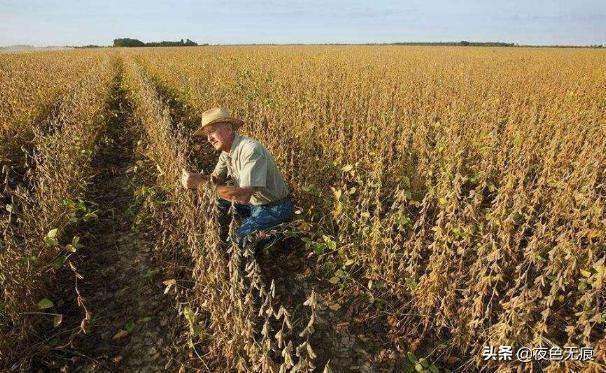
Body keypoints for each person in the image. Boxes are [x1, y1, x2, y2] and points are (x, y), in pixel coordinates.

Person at [180, 107, 294, 248]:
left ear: (229, 129)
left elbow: (243, 196)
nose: (209, 139)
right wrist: (199, 178)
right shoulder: (226, 152)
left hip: (275, 208)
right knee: (214, 201)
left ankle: (279, 234)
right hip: (253, 204)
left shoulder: (250, 150)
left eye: (212, 131)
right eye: (207, 135)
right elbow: (215, 179)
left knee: (235, 244)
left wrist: (200, 184)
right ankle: (249, 227)